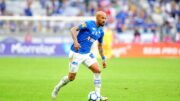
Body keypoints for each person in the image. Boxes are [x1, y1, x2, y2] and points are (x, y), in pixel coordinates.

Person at [51, 11, 108, 101]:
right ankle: (57, 87)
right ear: (97, 18)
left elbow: (100, 46)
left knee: (97, 71)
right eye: (102, 18)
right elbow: (73, 29)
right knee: (71, 78)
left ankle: (98, 95)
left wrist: (103, 59)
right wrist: (76, 42)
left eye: (105, 18)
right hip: (76, 53)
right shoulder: (88, 24)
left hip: (87, 54)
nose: (104, 20)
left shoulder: (101, 31)